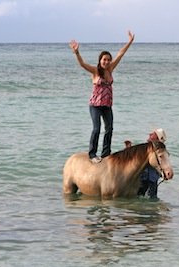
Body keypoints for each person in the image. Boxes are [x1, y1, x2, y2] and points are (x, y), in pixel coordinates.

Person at [69, 31, 135, 163]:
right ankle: (92, 154)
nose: (107, 61)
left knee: (109, 128)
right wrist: (77, 52)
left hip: (107, 106)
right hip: (95, 105)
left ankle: (105, 154)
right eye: (104, 59)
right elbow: (82, 64)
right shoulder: (95, 71)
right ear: (100, 60)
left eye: (108, 60)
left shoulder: (110, 70)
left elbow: (120, 54)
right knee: (97, 128)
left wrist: (129, 42)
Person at [125, 128, 167, 199]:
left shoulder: (159, 152)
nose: (150, 134)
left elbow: (163, 164)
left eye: (153, 134)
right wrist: (128, 149)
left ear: (156, 138)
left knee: (147, 198)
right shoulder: (145, 148)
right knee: (145, 198)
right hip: (143, 178)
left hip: (151, 180)